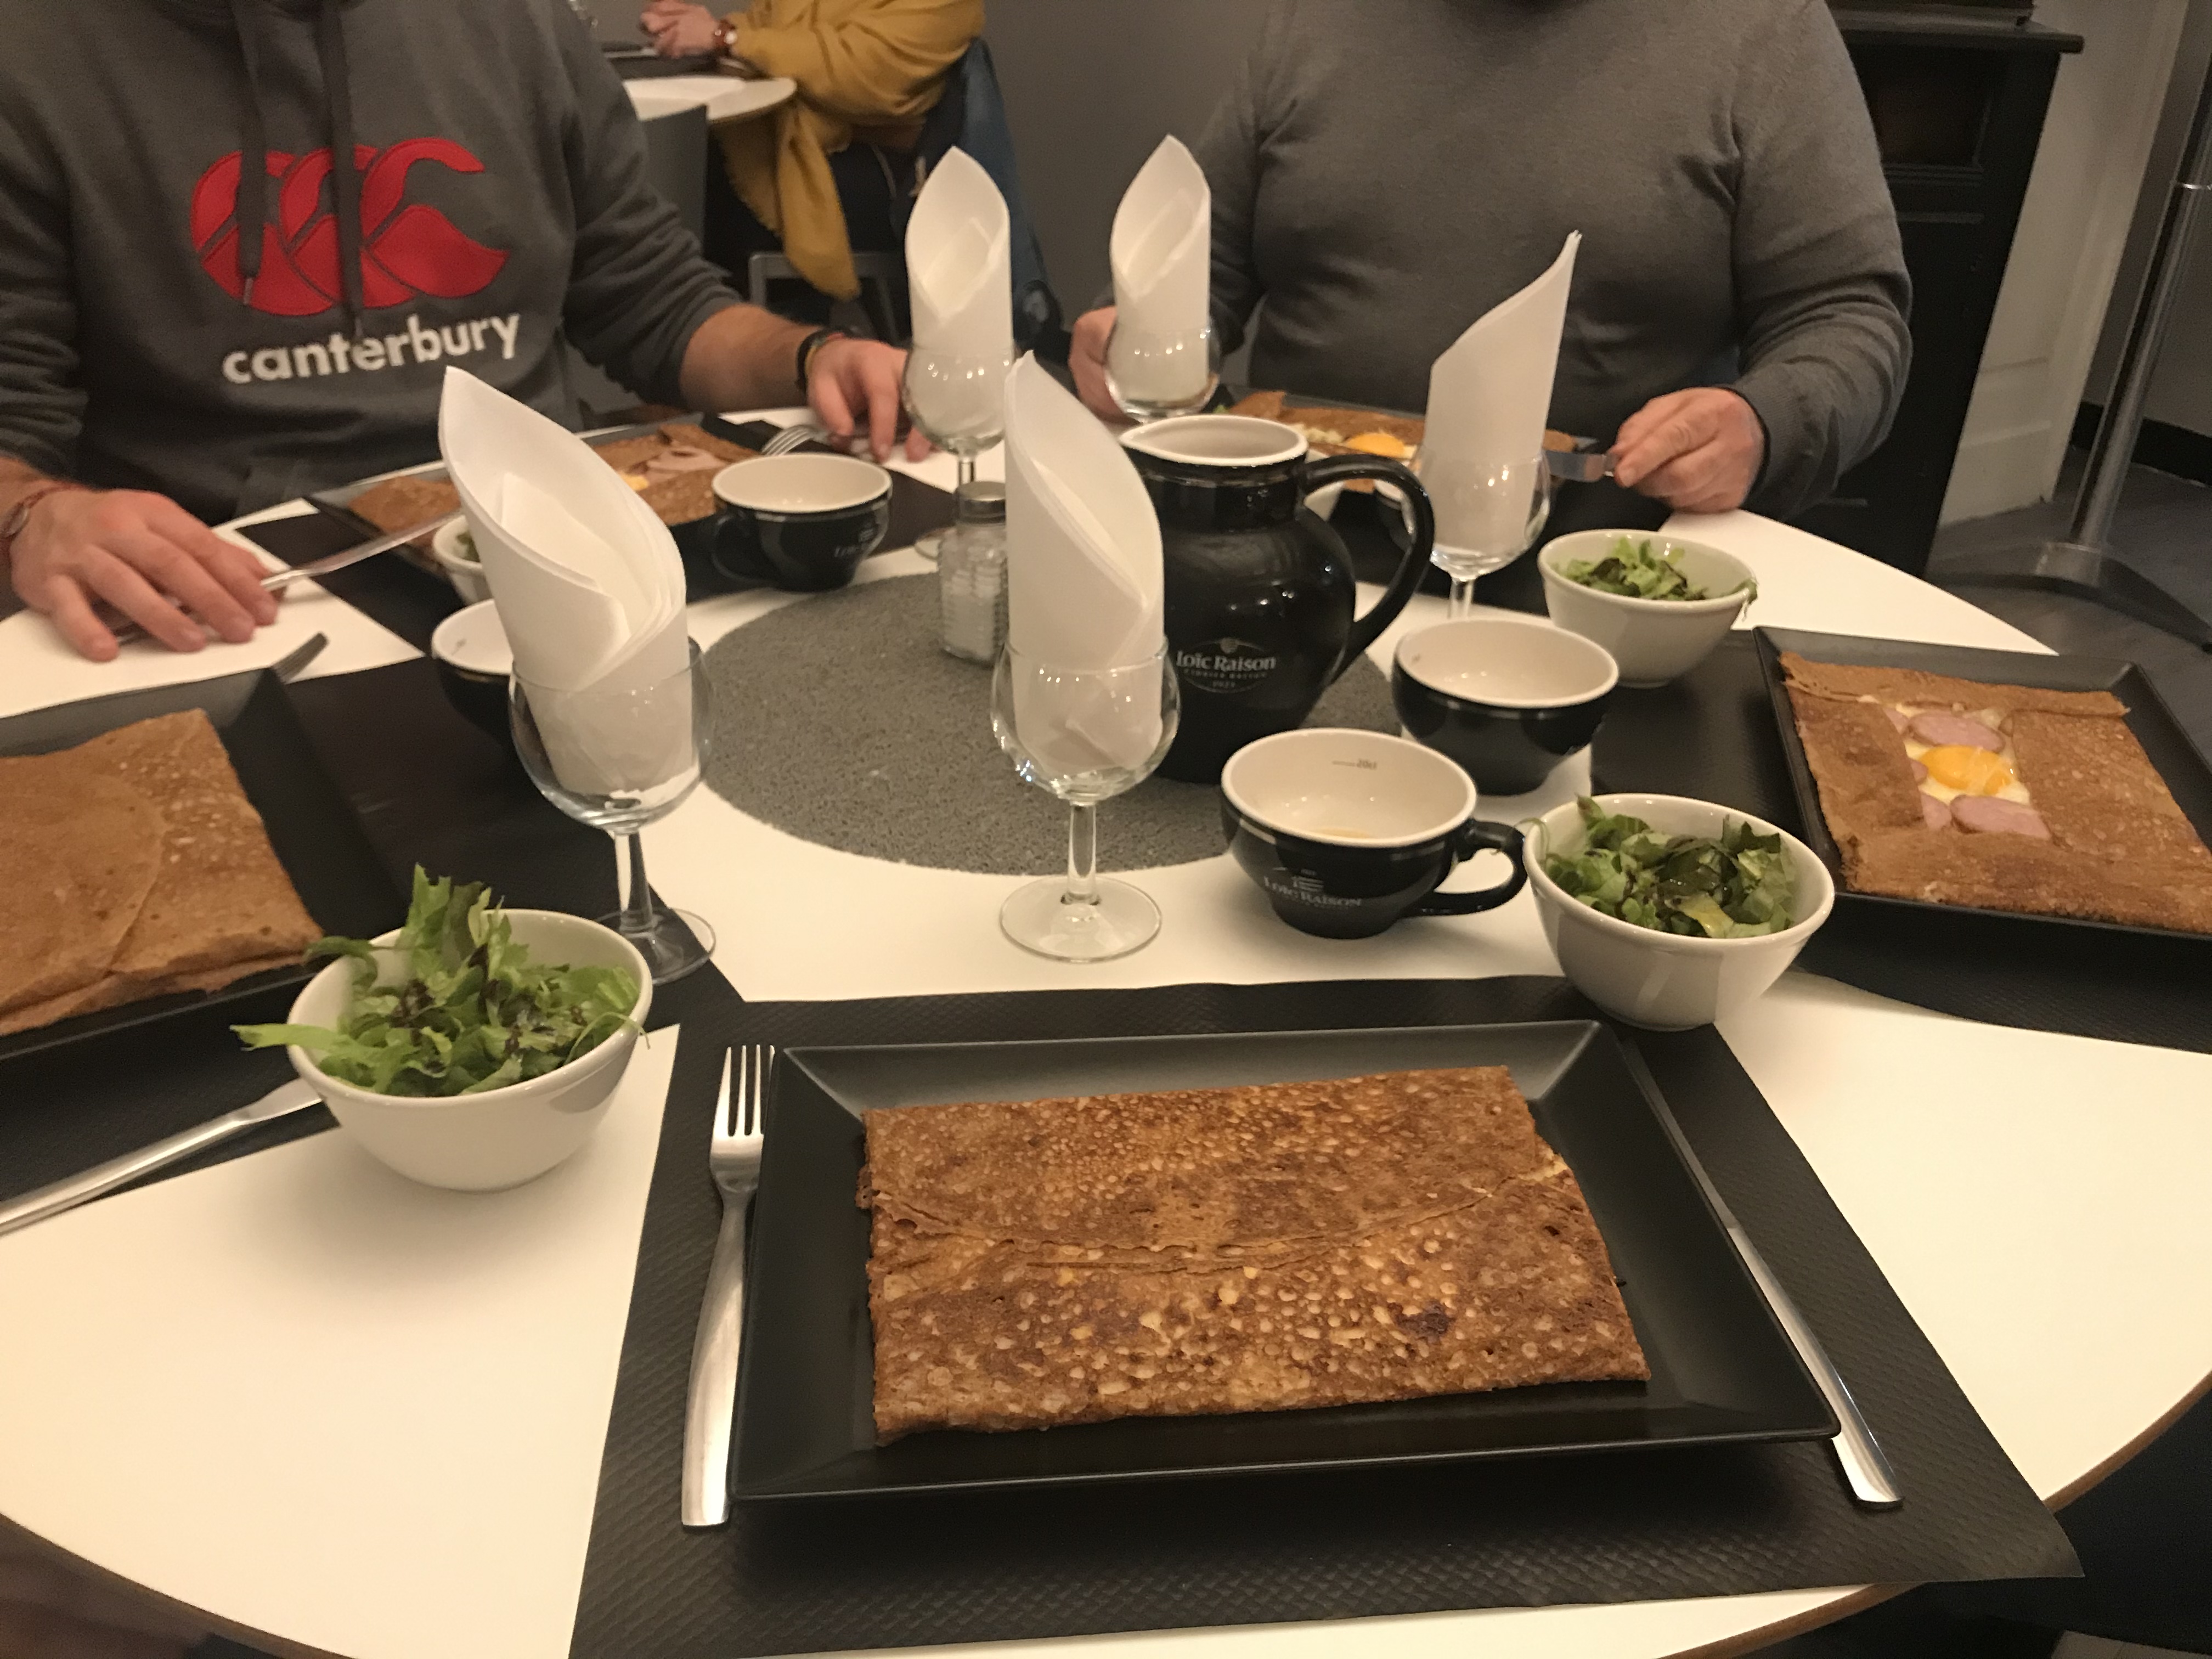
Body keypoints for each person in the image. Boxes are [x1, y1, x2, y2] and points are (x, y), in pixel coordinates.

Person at [0, 0, 920, 665]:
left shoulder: (519, 23)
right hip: (233, 602)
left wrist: (813, 357)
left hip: (547, 564)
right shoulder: (34, 56)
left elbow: (657, 305)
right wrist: (35, 516)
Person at [1069, 0, 1911, 525]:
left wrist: (1766, 422)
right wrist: (1138, 329)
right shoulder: (1317, 17)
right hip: (1291, 537)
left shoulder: (1766, 29)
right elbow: (1209, 258)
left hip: (1588, 554)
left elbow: (1846, 316)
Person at [639, 0, 981, 317]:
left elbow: (854, 68)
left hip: (888, 172)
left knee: (688, 192)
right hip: (797, 140)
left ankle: (772, 334)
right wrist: (707, 30)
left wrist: (726, 38)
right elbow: (774, 28)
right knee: (674, 167)